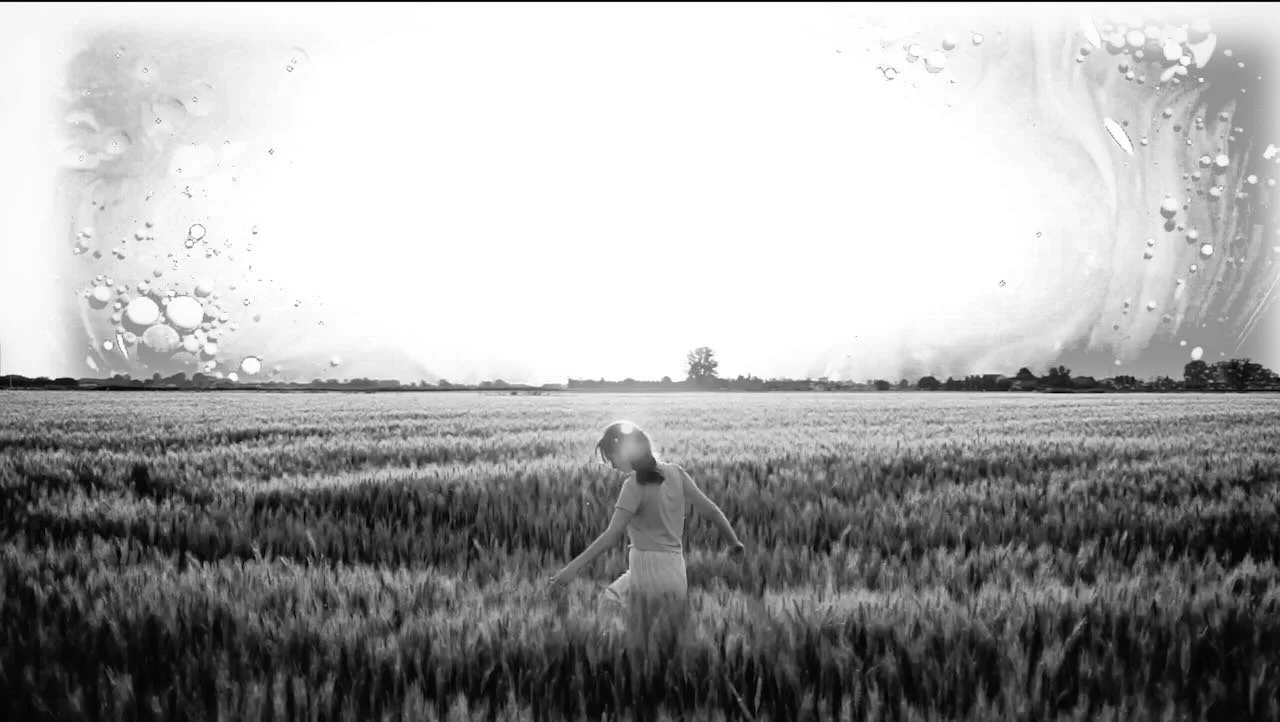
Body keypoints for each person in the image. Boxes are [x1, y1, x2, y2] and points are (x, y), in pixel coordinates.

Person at [546, 421, 745, 635]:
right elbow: (712, 511)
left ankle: (611, 649)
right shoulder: (676, 473)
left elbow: (612, 535)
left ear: (625, 452)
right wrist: (734, 542)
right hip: (674, 568)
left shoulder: (633, 486)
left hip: (646, 569)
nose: (612, 465)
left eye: (612, 457)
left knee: (633, 626)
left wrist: (571, 570)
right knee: (646, 623)